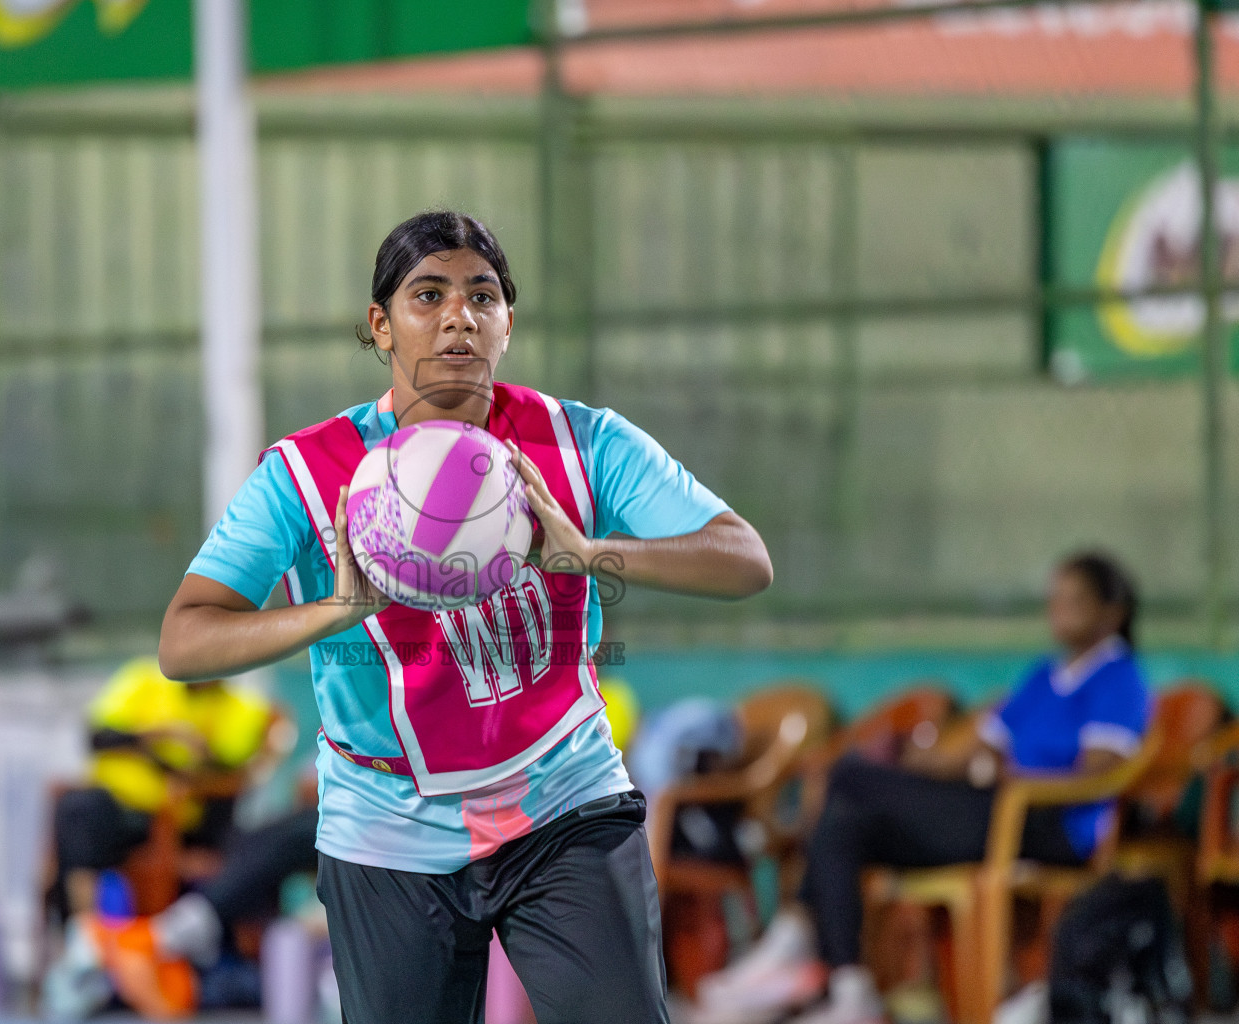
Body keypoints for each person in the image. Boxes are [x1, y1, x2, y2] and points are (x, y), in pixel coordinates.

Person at [157, 210, 774, 1023]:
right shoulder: (308, 475)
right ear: (381, 325)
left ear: (508, 322)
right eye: (428, 295)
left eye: (483, 296)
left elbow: (744, 560)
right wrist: (336, 610)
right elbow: (185, 639)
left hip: (562, 802)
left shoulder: (578, 441)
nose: (459, 316)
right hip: (386, 826)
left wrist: (590, 556)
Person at [693, 552, 1152, 1024]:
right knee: (849, 813)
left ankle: (801, 943)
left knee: (850, 783)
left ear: (1111, 613)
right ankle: (848, 985)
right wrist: (914, 757)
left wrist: (1005, 778)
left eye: (1075, 600)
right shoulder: (1045, 676)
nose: (1058, 609)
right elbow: (977, 750)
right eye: (1055, 598)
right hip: (996, 811)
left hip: (1049, 824)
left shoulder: (1119, 677)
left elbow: (1099, 770)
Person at [44, 657, 319, 1019]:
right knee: (80, 808)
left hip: (192, 822)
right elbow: (98, 737)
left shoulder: (240, 708)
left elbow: (241, 770)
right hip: (125, 810)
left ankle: (153, 945)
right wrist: (157, 738)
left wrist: (188, 769)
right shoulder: (143, 681)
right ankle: (86, 941)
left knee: (260, 845)